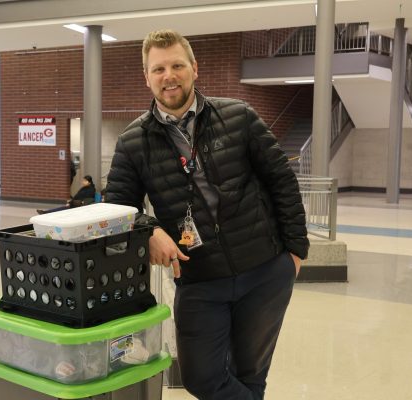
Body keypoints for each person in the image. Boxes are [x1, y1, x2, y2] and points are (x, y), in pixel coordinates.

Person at [105, 29, 309, 400]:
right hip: (198, 279)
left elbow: (282, 180)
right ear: (146, 77)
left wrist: (295, 253)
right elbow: (118, 209)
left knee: (250, 375)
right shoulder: (133, 141)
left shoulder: (239, 116)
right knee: (201, 378)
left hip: (264, 271)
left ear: (194, 69)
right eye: (159, 68)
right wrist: (148, 229)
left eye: (177, 65)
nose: (169, 75)